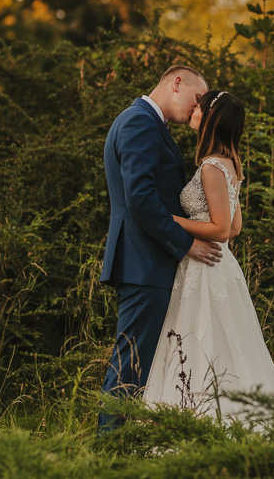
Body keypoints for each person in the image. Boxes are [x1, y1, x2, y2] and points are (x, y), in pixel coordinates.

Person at [143, 89, 274, 422]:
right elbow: (235, 227)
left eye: (199, 107)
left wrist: (170, 221)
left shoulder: (211, 167)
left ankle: (200, 416)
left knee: (199, 338)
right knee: (224, 340)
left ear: (210, 118)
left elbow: (222, 229)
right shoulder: (230, 165)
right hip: (220, 264)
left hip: (205, 264)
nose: (193, 110)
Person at [99, 65, 223, 432]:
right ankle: (109, 445)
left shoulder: (146, 123)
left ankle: (121, 440)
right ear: (177, 83)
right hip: (143, 261)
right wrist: (186, 244)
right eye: (198, 99)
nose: (197, 107)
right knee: (131, 361)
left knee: (139, 360)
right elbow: (141, 200)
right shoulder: (139, 122)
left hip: (146, 260)